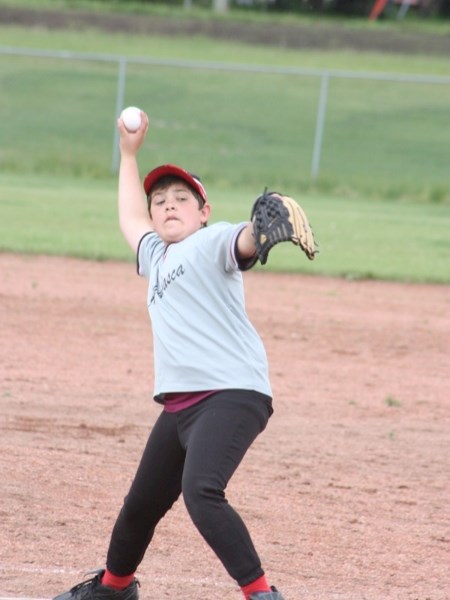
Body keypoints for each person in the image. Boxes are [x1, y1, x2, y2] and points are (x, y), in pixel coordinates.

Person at [53, 111, 286, 600]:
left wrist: (257, 230)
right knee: (141, 504)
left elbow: (241, 241)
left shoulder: (210, 241)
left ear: (204, 211)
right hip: (180, 405)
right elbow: (129, 217)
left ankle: (262, 594)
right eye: (159, 201)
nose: (168, 206)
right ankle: (114, 588)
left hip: (231, 392)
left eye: (182, 198)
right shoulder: (156, 257)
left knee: (202, 491)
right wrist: (128, 155)